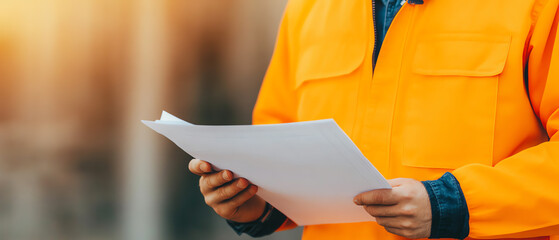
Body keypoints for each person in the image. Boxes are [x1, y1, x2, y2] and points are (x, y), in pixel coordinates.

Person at [188, 0, 559, 239]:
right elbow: (277, 150)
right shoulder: (308, 9)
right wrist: (252, 202)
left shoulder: (533, 6)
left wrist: (454, 204)